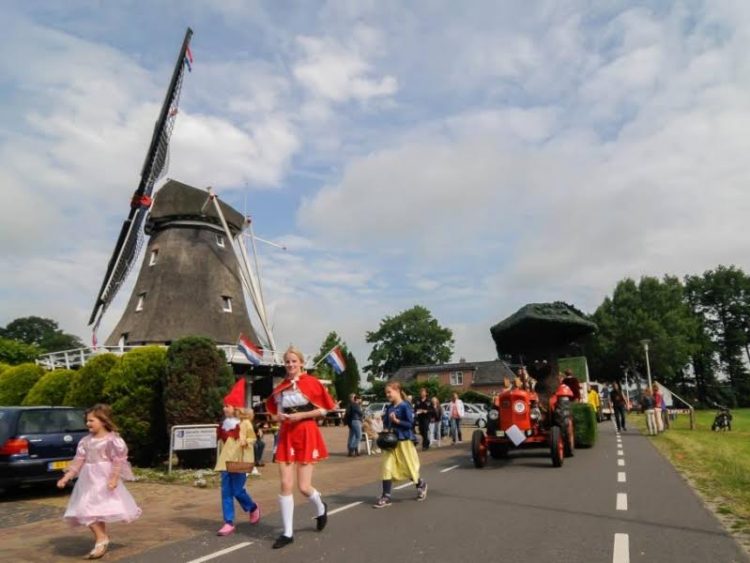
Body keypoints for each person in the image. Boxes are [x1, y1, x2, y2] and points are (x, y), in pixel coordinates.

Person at [266, 346, 336, 549]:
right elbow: (275, 412)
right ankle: (287, 533)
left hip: (306, 432)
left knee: (304, 487)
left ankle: (321, 507)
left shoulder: (312, 383)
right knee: (285, 484)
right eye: (287, 361)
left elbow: (324, 410)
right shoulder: (281, 387)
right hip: (287, 434)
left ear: (301, 363)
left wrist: (301, 416)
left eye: (294, 361)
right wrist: (277, 417)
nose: (290, 365)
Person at [56, 404, 141, 559]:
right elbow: (78, 461)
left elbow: (118, 460)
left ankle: (101, 540)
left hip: (103, 478)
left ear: (103, 421)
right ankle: (101, 538)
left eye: (91, 420)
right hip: (88, 480)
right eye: (87, 421)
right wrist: (66, 477)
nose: (88, 424)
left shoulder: (112, 440)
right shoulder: (85, 441)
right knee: (86, 509)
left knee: (93, 510)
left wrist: (114, 478)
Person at [214, 379, 260, 536]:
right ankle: (228, 522)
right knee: (226, 491)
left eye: (227, 405)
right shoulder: (224, 423)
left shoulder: (244, 423)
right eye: (224, 405)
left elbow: (253, 439)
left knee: (237, 491)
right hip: (225, 461)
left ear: (235, 407)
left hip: (240, 460)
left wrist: (245, 441)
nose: (224, 408)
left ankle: (252, 507)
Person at [373, 381, 428, 508]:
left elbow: (410, 424)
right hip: (391, 443)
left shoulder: (405, 406)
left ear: (397, 391)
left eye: (389, 392)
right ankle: (386, 496)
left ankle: (421, 484)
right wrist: (384, 430)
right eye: (386, 393)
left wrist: (396, 421)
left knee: (409, 468)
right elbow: (387, 424)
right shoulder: (389, 407)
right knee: (386, 467)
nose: (387, 395)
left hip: (404, 441)